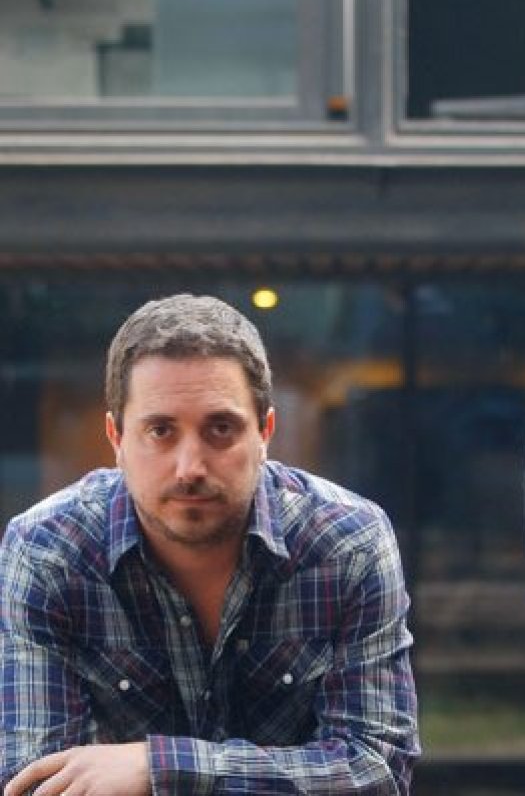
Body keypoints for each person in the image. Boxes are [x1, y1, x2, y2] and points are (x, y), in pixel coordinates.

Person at [0, 294, 419, 795]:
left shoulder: (347, 543)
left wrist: (159, 768)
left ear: (265, 432)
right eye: (160, 431)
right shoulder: (47, 551)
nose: (190, 467)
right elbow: (34, 782)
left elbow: (377, 770)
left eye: (220, 428)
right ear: (116, 438)